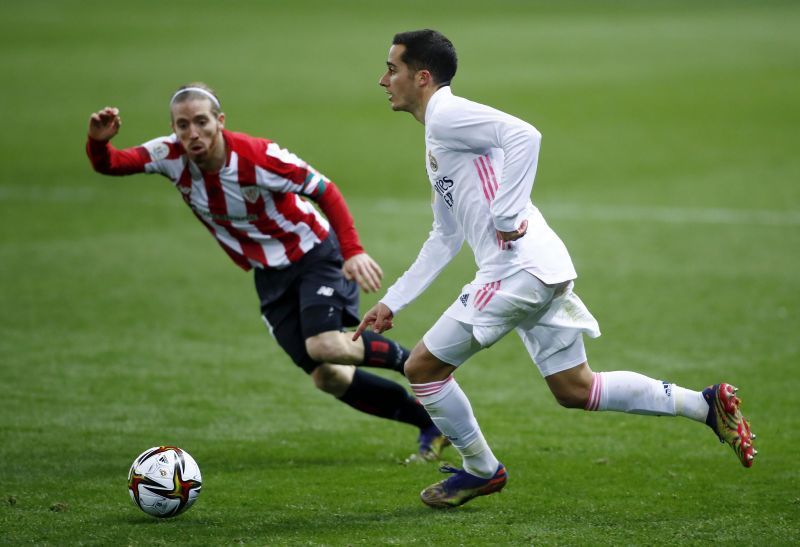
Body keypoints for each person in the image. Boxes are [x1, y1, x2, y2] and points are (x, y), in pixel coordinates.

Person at [354, 30, 757, 508]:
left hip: (515, 270)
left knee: (422, 368)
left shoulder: (447, 114)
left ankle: (482, 470)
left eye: (392, 69)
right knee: (574, 388)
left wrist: (507, 214)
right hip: (540, 269)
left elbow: (526, 135)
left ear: (422, 77)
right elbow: (444, 237)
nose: (383, 80)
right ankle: (704, 404)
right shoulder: (438, 134)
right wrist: (393, 300)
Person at [86, 82, 449, 462]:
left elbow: (324, 189)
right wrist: (98, 142)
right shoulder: (169, 155)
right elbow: (110, 163)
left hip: (313, 253)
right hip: (269, 274)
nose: (193, 133)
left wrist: (352, 251)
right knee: (328, 376)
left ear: (220, 121)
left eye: (201, 122)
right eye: (182, 125)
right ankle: (429, 424)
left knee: (324, 344)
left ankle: (419, 365)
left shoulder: (257, 157)